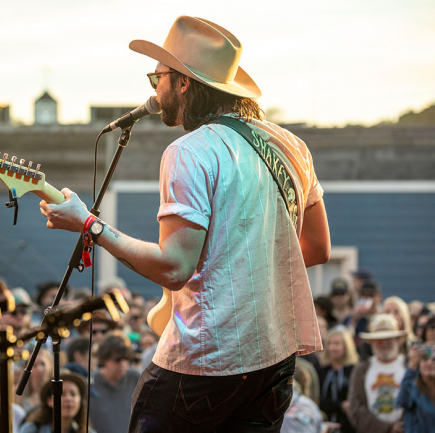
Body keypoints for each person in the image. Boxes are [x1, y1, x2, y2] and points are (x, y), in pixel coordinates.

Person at [39, 15, 330, 432]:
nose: (153, 90)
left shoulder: (190, 151)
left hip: (204, 363)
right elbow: (317, 249)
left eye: (157, 76)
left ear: (183, 82)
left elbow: (174, 267)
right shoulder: (292, 145)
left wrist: (90, 225)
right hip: (275, 361)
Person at [347, 314, 406, 433]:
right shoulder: (361, 370)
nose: (384, 344)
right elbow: (355, 407)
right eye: (379, 340)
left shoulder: (409, 366)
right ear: (371, 342)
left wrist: (403, 425)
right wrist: (387, 428)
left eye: (389, 339)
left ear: (397, 340)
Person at [89, 334, 140, 433]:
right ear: (105, 360)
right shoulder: (91, 382)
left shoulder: (136, 378)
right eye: (117, 359)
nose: (123, 364)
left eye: (126, 359)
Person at [19, 370, 89, 433]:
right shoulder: (31, 430)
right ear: (49, 401)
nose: (68, 398)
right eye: (62, 394)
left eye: (73, 394)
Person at [318, 326, 359, 433]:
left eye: (337, 344)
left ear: (346, 346)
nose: (332, 348)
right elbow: (318, 399)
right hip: (325, 425)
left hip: (349, 427)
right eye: (330, 344)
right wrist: (340, 406)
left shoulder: (354, 370)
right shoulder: (322, 371)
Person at [397, 343, 435, 431]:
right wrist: (411, 367)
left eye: (434, 359)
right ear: (418, 364)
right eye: (425, 359)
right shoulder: (412, 387)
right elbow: (402, 401)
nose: (429, 362)